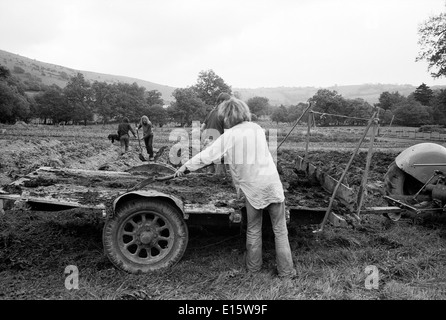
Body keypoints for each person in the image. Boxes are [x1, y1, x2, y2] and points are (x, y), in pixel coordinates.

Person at [175, 97, 296, 278]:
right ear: (244, 112)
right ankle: (286, 273)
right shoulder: (257, 129)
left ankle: (254, 271)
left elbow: (208, 155)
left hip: (253, 189)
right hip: (272, 184)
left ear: (227, 116)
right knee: (280, 230)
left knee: (254, 229)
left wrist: (185, 167)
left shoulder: (229, 135)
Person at [200, 92, 231, 174]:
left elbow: (202, 128)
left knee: (210, 171)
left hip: (207, 143)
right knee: (220, 173)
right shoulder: (224, 115)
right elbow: (227, 133)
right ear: (222, 102)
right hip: (218, 145)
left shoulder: (211, 113)